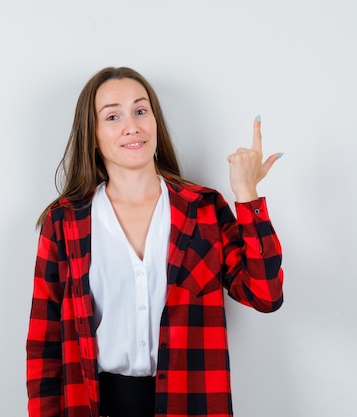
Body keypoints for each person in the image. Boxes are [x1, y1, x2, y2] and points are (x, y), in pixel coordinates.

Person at [26, 67, 284, 417]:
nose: (132, 126)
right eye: (113, 116)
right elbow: (45, 347)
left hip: (191, 403)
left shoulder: (204, 210)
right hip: (95, 404)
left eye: (141, 110)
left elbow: (265, 295)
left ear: (155, 121)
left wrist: (247, 196)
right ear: (93, 135)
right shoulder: (65, 222)